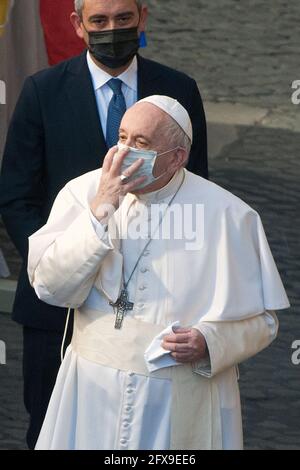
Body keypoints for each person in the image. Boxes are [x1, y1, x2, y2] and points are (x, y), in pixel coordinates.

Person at [0, 0, 208, 449]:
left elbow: (197, 193)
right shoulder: (43, 91)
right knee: (50, 425)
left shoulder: (179, 91)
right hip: (55, 308)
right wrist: (56, 260)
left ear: (143, 18)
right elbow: (16, 196)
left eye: (123, 19)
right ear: (78, 25)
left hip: (154, 304)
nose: (111, 29)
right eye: (99, 21)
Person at [28, 95, 289, 450]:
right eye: (121, 138)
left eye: (141, 144)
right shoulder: (83, 192)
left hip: (173, 400)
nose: (124, 152)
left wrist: (209, 342)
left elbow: (264, 321)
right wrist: (100, 212)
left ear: (177, 157)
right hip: (90, 391)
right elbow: (50, 287)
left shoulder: (228, 215)